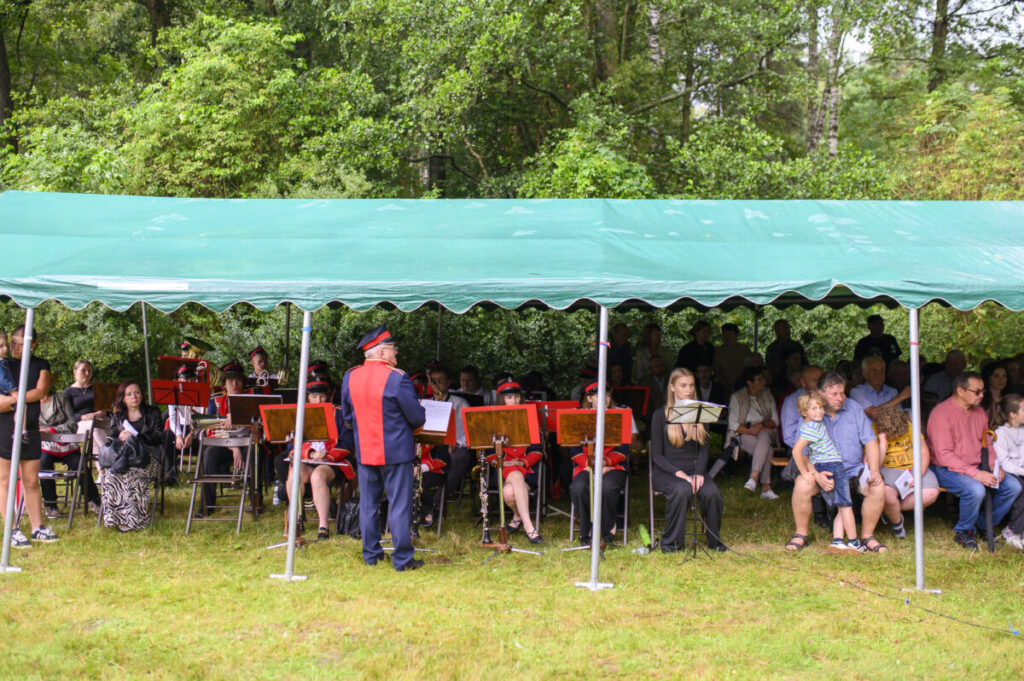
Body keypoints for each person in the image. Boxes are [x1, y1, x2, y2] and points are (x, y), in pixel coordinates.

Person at [341, 324, 426, 571]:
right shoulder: (397, 378)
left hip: (365, 451)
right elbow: (417, 418)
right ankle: (402, 559)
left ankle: (371, 555)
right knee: (399, 505)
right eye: (392, 349)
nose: (395, 353)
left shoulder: (350, 376)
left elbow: (347, 417)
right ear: (381, 352)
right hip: (396, 452)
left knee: (369, 504)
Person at [785, 371, 887, 552]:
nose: (840, 398)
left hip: (853, 469)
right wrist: (815, 475)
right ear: (821, 393)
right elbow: (803, 453)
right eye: (834, 394)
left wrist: (874, 469)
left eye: (842, 393)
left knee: (877, 485)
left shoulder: (853, 407)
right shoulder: (812, 414)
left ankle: (867, 536)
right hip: (823, 470)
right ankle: (801, 534)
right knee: (802, 485)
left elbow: (870, 441)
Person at [927, 372, 1022, 549]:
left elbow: (987, 442)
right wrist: (976, 474)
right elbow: (944, 455)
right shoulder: (941, 414)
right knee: (975, 490)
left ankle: (984, 524)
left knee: (1013, 487)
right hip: (945, 468)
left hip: (977, 463)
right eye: (977, 392)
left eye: (983, 391)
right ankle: (964, 531)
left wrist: (993, 464)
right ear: (960, 391)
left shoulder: (979, 412)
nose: (982, 395)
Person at [650, 368, 725, 552]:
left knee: (713, 494)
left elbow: (704, 449)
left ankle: (714, 542)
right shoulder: (660, 415)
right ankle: (672, 544)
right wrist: (679, 474)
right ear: (672, 387)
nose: (688, 390)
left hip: (695, 469)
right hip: (667, 472)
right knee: (682, 489)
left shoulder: (701, 414)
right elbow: (657, 455)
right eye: (683, 385)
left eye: (691, 385)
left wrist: (699, 473)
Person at [0, 325, 58, 548]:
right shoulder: (4, 364)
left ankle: (37, 527)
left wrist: (13, 399)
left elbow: (40, 391)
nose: (15, 348)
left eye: (20, 344)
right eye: (13, 343)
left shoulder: (41, 364)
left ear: (32, 344)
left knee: (31, 480)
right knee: (4, 480)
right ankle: (12, 529)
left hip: (31, 427)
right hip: (5, 426)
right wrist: (11, 401)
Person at [283, 380, 354, 540]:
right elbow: (291, 446)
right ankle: (296, 519)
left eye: (322, 396)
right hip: (308, 459)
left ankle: (323, 526)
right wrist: (310, 454)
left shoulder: (339, 414)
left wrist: (326, 456)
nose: (318, 400)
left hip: (332, 461)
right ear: (308, 398)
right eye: (314, 397)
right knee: (295, 473)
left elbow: (347, 443)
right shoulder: (300, 414)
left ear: (328, 397)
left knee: (318, 476)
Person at [792, 393, 859, 554]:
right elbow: (796, 451)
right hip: (832, 464)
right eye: (814, 408)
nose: (820, 411)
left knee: (841, 504)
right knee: (845, 505)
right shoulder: (812, 427)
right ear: (804, 412)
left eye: (821, 407)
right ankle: (854, 542)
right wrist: (805, 473)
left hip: (828, 464)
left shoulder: (811, 424)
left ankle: (837, 541)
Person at [569, 382, 630, 546]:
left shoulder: (619, 416)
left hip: (612, 467)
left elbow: (623, 449)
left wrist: (604, 464)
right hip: (586, 466)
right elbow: (574, 451)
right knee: (578, 488)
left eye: (608, 395)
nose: (605, 399)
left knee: (608, 487)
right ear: (589, 398)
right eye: (599, 395)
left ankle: (608, 525)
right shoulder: (578, 417)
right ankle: (586, 528)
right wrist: (590, 465)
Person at [101, 380, 164, 532]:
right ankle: (116, 519)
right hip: (125, 457)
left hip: (148, 458)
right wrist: (120, 437)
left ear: (142, 395)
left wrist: (137, 437)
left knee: (132, 475)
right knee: (111, 475)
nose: (134, 397)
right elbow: (111, 439)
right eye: (129, 394)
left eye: (137, 392)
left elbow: (159, 436)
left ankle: (135, 520)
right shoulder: (118, 417)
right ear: (123, 399)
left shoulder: (153, 413)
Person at [485, 381, 543, 543]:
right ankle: (529, 526)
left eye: (517, 397)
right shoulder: (494, 420)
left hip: (526, 469)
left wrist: (522, 462)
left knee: (509, 493)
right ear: (502, 400)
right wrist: (502, 463)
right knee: (513, 480)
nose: (514, 401)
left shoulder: (529, 418)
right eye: (509, 397)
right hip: (503, 468)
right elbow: (489, 452)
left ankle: (518, 517)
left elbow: (537, 450)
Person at [872, 405, 939, 539]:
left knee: (931, 493)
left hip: (913, 467)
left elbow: (924, 452)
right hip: (888, 468)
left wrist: (918, 475)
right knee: (886, 495)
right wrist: (883, 444)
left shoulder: (908, 426)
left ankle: (891, 511)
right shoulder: (873, 431)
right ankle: (897, 523)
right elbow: (874, 464)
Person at [39, 385, 102, 517]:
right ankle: (51, 505)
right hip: (44, 445)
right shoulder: (30, 404)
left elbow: (73, 424)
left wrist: (53, 430)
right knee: (43, 464)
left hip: (67, 444)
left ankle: (94, 500)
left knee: (80, 464)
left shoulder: (61, 399)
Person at [197, 361, 250, 515]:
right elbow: (211, 430)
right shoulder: (216, 400)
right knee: (209, 454)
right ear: (224, 383)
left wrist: (238, 417)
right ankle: (206, 506)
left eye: (238, 379)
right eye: (230, 380)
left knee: (254, 454)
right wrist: (233, 447)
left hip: (248, 443)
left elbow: (259, 424)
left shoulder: (251, 398)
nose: (234, 384)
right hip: (225, 444)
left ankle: (255, 502)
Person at [727, 367, 779, 499]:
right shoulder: (737, 397)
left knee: (764, 435)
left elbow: (775, 421)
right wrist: (750, 430)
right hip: (746, 432)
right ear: (749, 383)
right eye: (759, 379)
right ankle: (766, 488)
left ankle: (753, 477)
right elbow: (733, 424)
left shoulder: (768, 394)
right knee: (767, 450)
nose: (764, 381)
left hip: (766, 429)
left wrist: (761, 425)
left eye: (763, 378)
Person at [427, 365, 474, 506]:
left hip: (456, 447)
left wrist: (456, 443)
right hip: (432, 448)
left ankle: (436, 504)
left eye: (440, 380)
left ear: (449, 382)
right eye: (433, 380)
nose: (436, 384)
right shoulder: (425, 404)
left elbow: (470, 432)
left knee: (459, 458)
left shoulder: (461, 403)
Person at [993, 393, 1024, 549]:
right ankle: (1012, 531)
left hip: (1021, 470)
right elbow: (1003, 462)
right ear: (1013, 414)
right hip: (1008, 472)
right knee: (1021, 491)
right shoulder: (1000, 434)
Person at [848, 356, 910, 421]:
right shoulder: (857, 392)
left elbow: (900, 417)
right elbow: (873, 413)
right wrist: (901, 397)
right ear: (864, 374)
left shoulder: (892, 391)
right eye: (874, 370)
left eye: (882, 370)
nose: (879, 374)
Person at [713, 323, 751, 396]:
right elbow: (717, 372)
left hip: (743, 387)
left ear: (736, 335)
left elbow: (749, 369)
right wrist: (726, 386)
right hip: (724, 388)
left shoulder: (744, 349)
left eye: (730, 334)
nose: (727, 337)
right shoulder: (718, 351)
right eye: (725, 335)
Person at [980, 361, 1009, 428]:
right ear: (988, 377)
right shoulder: (980, 399)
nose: (1001, 380)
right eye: (996, 376)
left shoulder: (1010, 399)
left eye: (1004, 376)